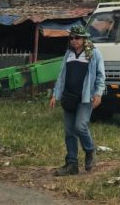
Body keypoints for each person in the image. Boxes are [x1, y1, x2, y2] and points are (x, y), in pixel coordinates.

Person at [50, 23, 105, 175]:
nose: (73, 40)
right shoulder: (69, 54)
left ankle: (89, 151)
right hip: (69, 97)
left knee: (80, 126)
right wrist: (56, 94)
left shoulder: (94, 54)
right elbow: (61, 76)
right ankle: (72, 164)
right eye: (71, 38)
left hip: (85, 98)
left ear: (84, 39)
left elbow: (100, 76)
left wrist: (98, 94)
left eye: (77, 38)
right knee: (69, 131)